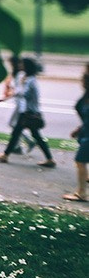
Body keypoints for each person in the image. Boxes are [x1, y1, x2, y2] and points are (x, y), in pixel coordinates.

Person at [0, 57, 56, 167]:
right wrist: (7, 97)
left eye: (22, 64)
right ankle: (49, 159)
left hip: (29, 112)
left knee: (20, 133)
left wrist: (18, 87)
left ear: (27, 66)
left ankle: (5, 155)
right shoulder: (27, 78)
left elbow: (23, 93)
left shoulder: (30, 80)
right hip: (27, 111)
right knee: (23, 134)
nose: (20, 65)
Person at [0, 55, 33, 154]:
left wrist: (5, 98)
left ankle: (23, 144)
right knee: (15, 124)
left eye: (12, 63)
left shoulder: (21, 75)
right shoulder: (16, 74)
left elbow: (19, 91)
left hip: (20, 104)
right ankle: (20, 145)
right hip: (17, 103)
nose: (11, 65)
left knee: (13, 124)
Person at [63, 72, 89, 202]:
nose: (81, 82)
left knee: (80, 161)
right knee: (82, 161)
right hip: (85, 133)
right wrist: (79, 129)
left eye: (83, 80)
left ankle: (81, 193)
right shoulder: (85, 97)